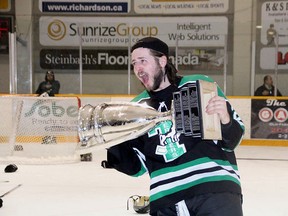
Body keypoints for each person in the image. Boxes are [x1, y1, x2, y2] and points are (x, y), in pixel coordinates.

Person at [103, 37, 245, 216]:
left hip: (212, 189)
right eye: (134, 63)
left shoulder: (197, 84)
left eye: (143, 61)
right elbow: (137, 168)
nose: (138, 68)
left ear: (162, 61)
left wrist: (226, 119)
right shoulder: (136, 108)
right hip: (165, 201)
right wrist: (113, 140)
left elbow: (232, 140)